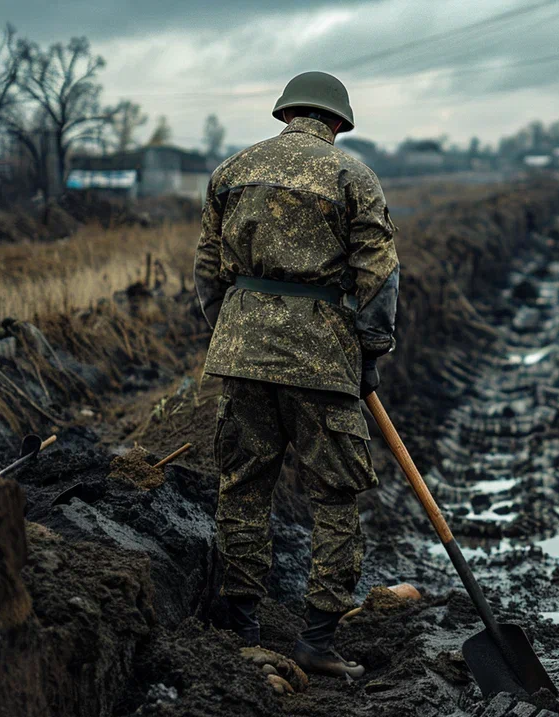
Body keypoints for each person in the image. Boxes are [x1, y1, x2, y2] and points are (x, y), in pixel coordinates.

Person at [194, 70, 399, 679]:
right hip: (320, 358)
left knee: (243, 485)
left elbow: (208, 269)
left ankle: (243, 625)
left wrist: (231, 333)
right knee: (335, 497)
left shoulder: (230, 171)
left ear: (286, 113)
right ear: (338, 122)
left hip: (242, 353)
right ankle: (316, 639)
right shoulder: (351, 175)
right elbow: (379, 276)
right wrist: (371, 351)